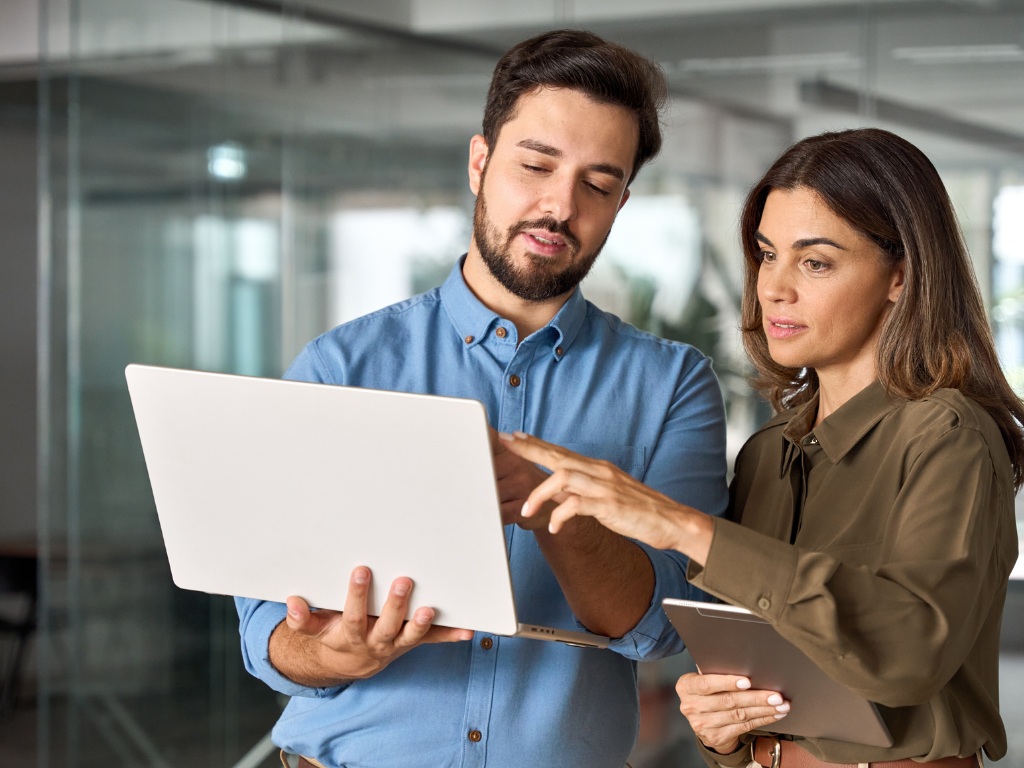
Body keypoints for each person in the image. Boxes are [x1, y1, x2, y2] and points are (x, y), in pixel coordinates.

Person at [235, 29, 730, 768]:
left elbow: (665, 628)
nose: (559, 207)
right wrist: (331, 654)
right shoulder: (341, 366)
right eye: (535, 165)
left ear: (622, 202)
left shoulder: (672, 385)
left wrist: (551, 501)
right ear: (479, 163)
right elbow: (264, 632)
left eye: (597, 185)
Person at [502, 127, 1021, 768]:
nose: (774, 287)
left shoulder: (950, 437)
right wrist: (719, 725)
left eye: (815, 261)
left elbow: (908, 654)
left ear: (900, 275)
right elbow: (756, 671)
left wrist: (681, 527)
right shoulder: (767, 454)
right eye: (767, 254)